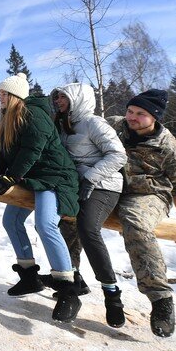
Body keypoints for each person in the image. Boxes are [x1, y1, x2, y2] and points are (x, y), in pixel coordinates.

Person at [0, 73, 81, 323]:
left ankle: (68, 289)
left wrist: (11, 177)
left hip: (54, 176)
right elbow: (4, 150)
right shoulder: (9, 118)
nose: (0, 98)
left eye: (4, 94)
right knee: (11, 221)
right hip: (31, 178)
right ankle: (29, 277)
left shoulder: (34, 114)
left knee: (45, 224)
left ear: (16, 95)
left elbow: (32, 149)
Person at [108, 89, 176, 337]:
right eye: (130, 111)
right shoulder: (115, 126)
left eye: (140, 114)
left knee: (134, 221)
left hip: (150, 194)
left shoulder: (171, 149)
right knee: (74, 210)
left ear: (154, 117)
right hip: (111, 187)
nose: (132, 117)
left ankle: (161, 299)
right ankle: (70, 280)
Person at [50, 83, 128, 328]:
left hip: (104, 184)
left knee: (87, 227)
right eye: (57, 97)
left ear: (78, 99)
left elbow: (118, 155)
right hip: (76, 184)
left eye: (64, 96)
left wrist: (90, 177)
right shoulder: (63, 124)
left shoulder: (94, 123)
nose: (59, 100)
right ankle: (72, 281)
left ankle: (111, 293)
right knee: (61, 226)